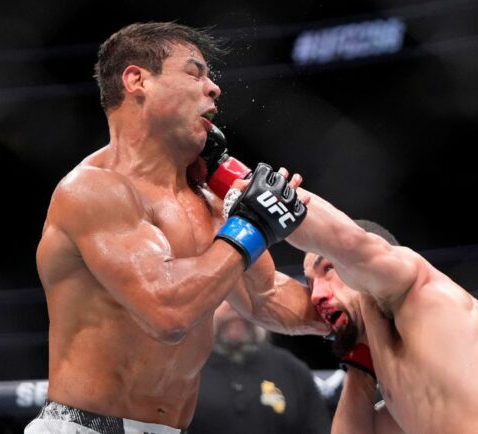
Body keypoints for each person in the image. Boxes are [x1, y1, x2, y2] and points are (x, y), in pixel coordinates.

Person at [26, 22, 327, 434]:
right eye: (194, 72)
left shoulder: (207, 201)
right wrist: (253, 225)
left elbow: (267, 296)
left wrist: (346, 315)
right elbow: (167, 312)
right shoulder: (94, 191)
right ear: (137, 80)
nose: (214, 88)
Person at [243, 179, 478, 433]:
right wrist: (359, 363)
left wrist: (249, 184)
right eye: (311, 283)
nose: (317, 293)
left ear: (356, 267)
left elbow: (347, 242)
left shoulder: (421, 291)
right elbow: (263, 301)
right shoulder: (406, 384)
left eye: (327, 271)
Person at [189, 301, 331, 434]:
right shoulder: (182, 373)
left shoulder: (292, 369)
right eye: (224, 297)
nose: (235, 307)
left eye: (243, 298)